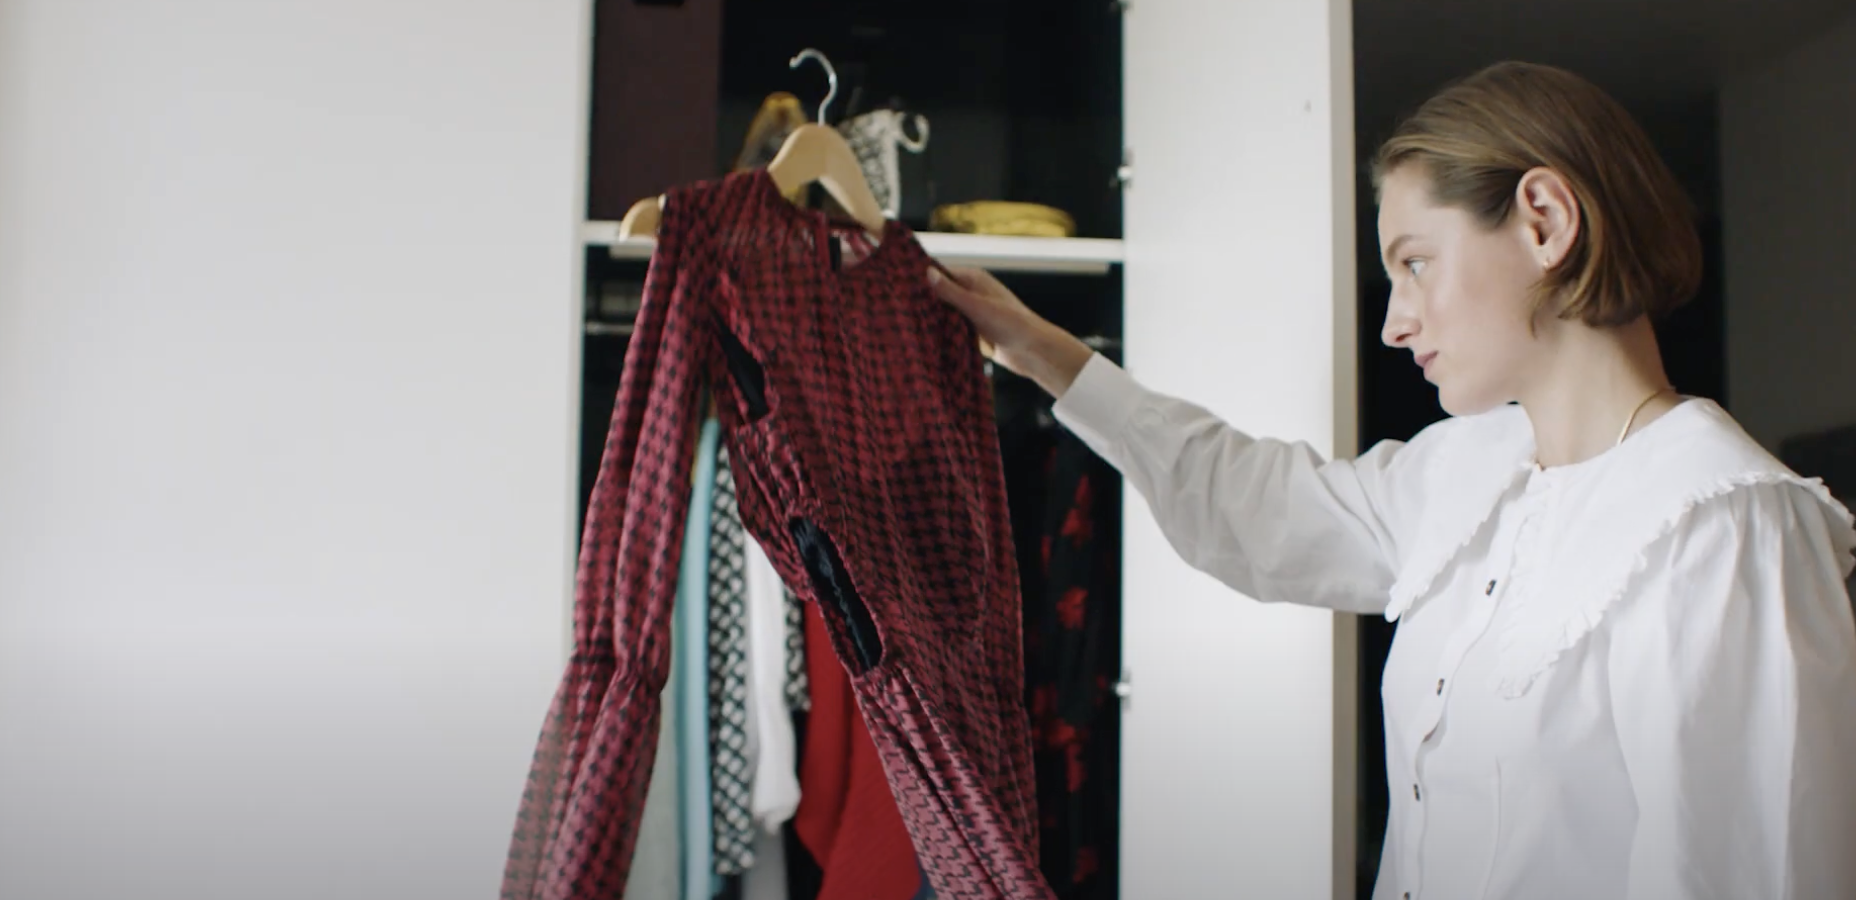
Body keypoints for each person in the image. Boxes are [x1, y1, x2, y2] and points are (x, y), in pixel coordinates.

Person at [931, 61, 1856, 900]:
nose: (1395, 324)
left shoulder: (1725, 529)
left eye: (1415, 264)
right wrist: (1043, 353)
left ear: (1546, 221)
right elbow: (1256, 506)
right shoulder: (1467, 471)